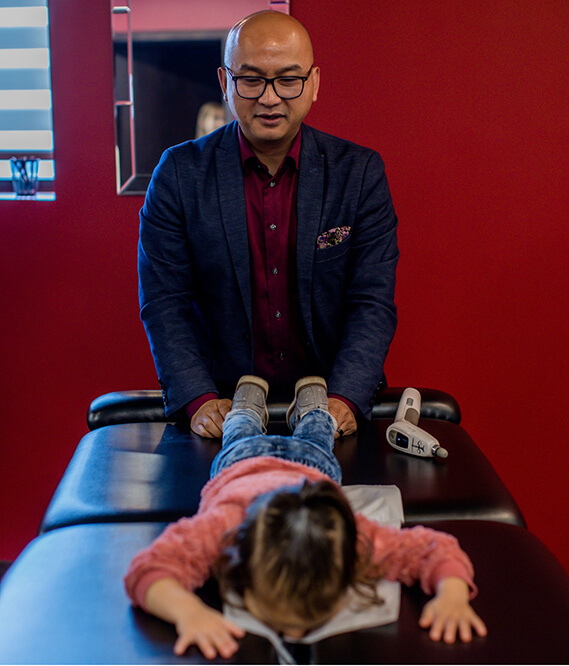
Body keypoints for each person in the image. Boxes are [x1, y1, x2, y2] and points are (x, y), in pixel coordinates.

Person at [138, 10, 399, 442]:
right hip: (220, 409)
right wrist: (199, 398)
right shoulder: (179, 174)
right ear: (225, 82)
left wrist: (346, 397)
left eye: (288, 79)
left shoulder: (360, 173)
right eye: (252, 79)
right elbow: (165, 303)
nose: (270, 98)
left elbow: (372, 302)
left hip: (333, 408)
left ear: (313, 83)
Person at [124, 376, 487, 660]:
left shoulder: (346, 538)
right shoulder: (224, 530)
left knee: (316, 432)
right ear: (241, 564)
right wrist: (188, 612)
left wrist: (451, 595)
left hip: (291, 466)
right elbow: (148, 571)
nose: (294, 635)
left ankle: (311, 400)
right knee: (240, 431)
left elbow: (432, 549)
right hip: (249, 464)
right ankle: (248, 403)